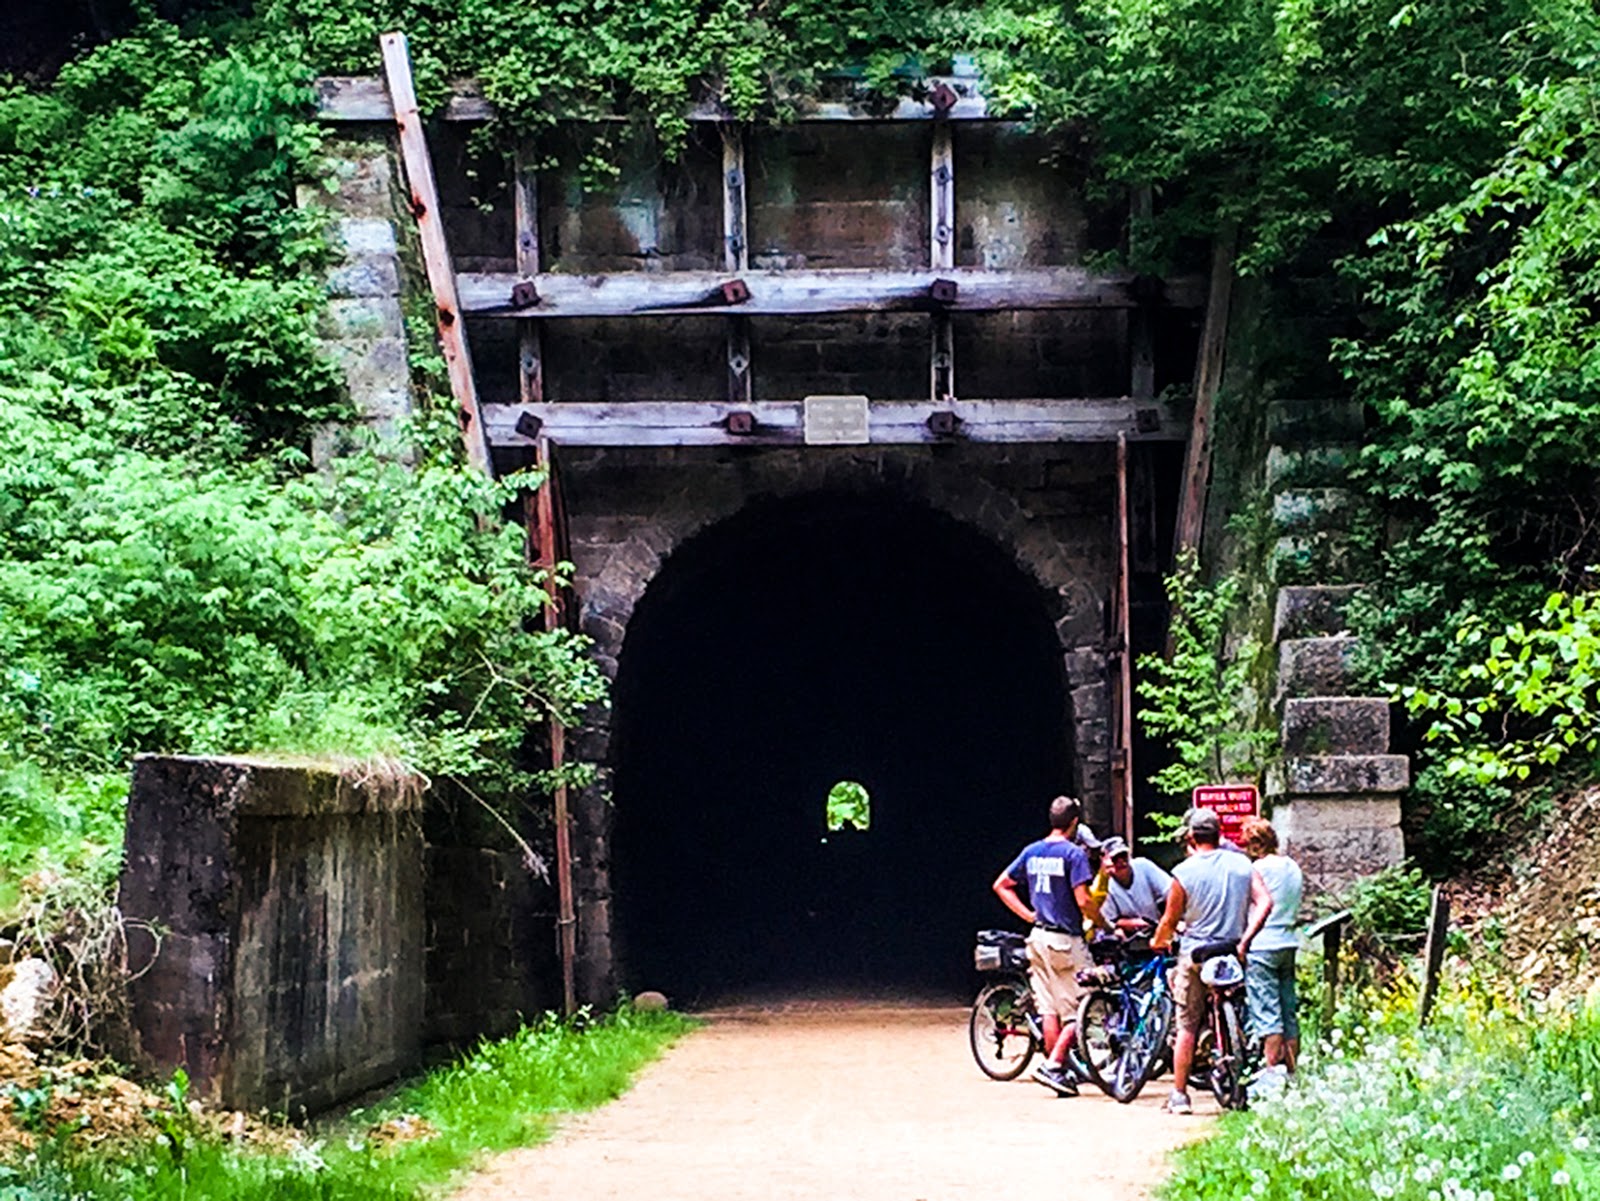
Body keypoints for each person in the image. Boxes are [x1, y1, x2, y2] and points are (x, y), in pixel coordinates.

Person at [1150, 807, 1272, 1115]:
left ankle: (1179, 1094)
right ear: (1220, 835)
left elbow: (1170, 918)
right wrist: (1246, 938)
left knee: (1187, 1022)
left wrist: (1158, 940)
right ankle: (1244, 1063)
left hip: (1196, 954)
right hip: (1232, 949)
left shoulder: (1183, 872)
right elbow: (1265, 901)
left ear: (1191, 837)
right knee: (1240, 1005)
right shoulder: (1242, 864)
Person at [992, 795, 1111, 1096]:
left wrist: (1029, 915)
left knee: (1049, 1009)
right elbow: (1083, 900)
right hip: (1065, 939)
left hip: (1038, 936)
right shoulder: (1073, 855)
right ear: (1074, 823)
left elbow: (1001, 885)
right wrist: (1102, 923)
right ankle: (1055, 1065)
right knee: (1084, 1003)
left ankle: (1060, 1071)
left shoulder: (1033, 851)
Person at [1238, 816, 1304, 1075]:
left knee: (1268, 1017)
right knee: (1289, 1014)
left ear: (1253, 845)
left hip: (1262, 944)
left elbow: (1256, 905)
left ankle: (1271, 1077)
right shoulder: (1292, 866)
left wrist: (1244, 941)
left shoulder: (1257, 870)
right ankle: (1291, 1075)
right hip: (1288, 942)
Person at [1098, 837, 1173, 936]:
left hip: (1157, 928)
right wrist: (1133, 923)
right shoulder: (1105, 883)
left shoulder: (1143, 866)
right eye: (1115, 859)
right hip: (1128, 938)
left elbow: (1171, 891)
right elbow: (1110, 920)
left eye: (1123, 856)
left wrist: (1170, 919)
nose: (1121, 861)